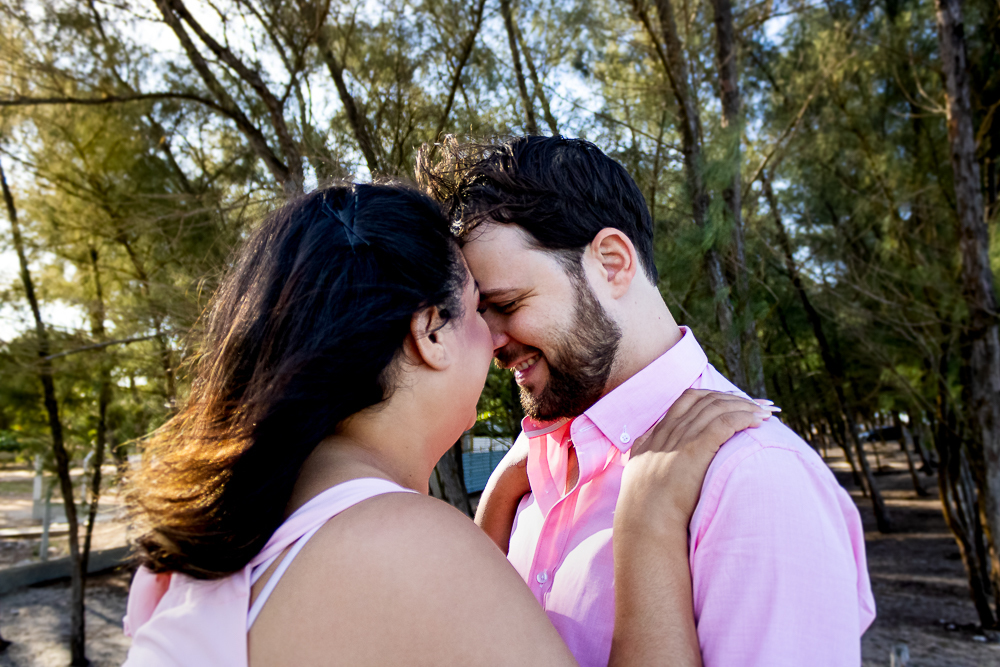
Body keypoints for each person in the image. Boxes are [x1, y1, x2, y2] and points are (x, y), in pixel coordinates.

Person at [121, 182, 773, 666]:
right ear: (430, 331)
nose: (497, 339)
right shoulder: (401, 542)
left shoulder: (234, 523)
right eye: (478, 308)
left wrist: (495, 505)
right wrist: (647, 518)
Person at [419, 135, 876, 667]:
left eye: (507, 304)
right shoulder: (531, 464)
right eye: (480, 314)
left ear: (612, 263)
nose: (490, 340)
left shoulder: (754, 478)